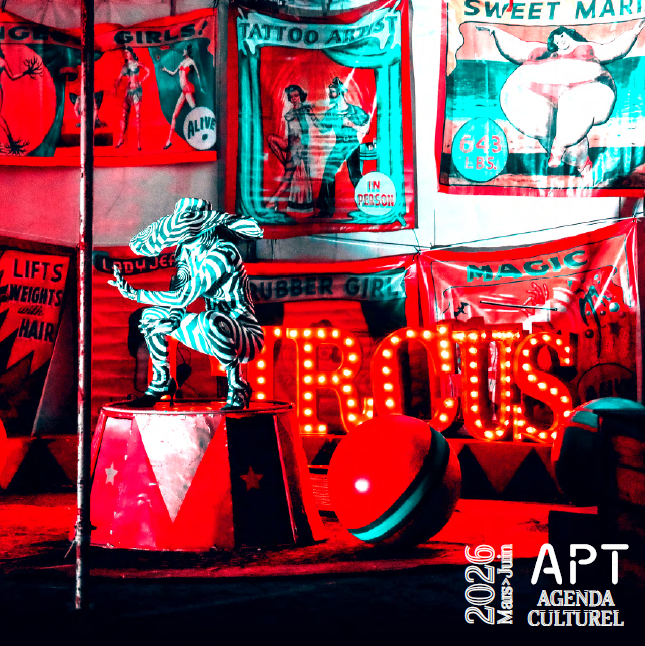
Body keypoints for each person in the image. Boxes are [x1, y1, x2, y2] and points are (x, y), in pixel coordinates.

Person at [109, 198, 265, 410]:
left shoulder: (223, 252)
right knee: (150, 316)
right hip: (211, 333)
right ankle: (161, 381)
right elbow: (178, 298)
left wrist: (135, 294)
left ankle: (238, 386)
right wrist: (171, 320)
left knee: (210, 320)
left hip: (245, 337)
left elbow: (183, 297)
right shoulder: (185, 252)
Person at [478, 21, 645, 175]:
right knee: (549, 128)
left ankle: (559, 148)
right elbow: (516, 47)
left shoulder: (587, 49)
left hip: (586, 90)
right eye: (556, 39)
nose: (560, 41)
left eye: (562, 36)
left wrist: (633, 32)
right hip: (539, 94)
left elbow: (614, 49)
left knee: (573, 106)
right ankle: (581, 163)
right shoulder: (540, 51)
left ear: (570, 35)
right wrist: (495, 31)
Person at [312, 77, 370, 217]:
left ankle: (368, 206)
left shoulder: (354, 111)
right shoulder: (331, 113)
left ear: (340, 93)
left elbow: (366, 129)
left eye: (332, 92)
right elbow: (323, 129)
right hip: (339, 144)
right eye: (329, 92)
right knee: (328, 173)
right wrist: (312, 116)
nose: (329, 95)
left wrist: (352, 125)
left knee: (355, 175)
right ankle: (326, 210)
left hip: (352, 144)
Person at [266, 84, 315, 217]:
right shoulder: (291, 112)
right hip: (290, 144)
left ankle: (272, 202)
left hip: (298, 148)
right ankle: (284, 164)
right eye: (291, 96)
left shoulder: (304, 110)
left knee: (288, 176)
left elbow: (310, 127)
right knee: (270, 138)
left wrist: (310, 113)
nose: (293, 98)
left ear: (300, 96)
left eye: (296, 95)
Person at [0, 45, 43, 155]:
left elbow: (12, 76)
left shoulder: (2, 62)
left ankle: (11, 143)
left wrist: (25, 72)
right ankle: (12, 143)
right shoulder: (2, 62)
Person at [161, 44, 204, 149]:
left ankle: (201, 137)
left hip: (188, 89)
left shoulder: (191, 62)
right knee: (174, 115)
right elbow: (173, 73)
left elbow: (198, 74)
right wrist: (166, 70)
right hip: (183, 91)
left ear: (187, 51)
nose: (183, 51)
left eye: (185, 50)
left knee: (195, 112)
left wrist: (201, 87)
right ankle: (169, 141)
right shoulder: (182, 62)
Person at [113, 46, 149, 151]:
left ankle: (138, 143)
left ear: (131, 53)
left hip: (137, 91)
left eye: (127, 52)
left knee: (138, 116)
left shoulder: (137, 63)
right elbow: (119, 78)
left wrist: (142, 80)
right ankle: (121, 139)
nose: (126, 55)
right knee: (124, 115)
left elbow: (148, 70)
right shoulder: (125, 66)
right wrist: (115, 88)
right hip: (128, 91)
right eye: (125, 53)